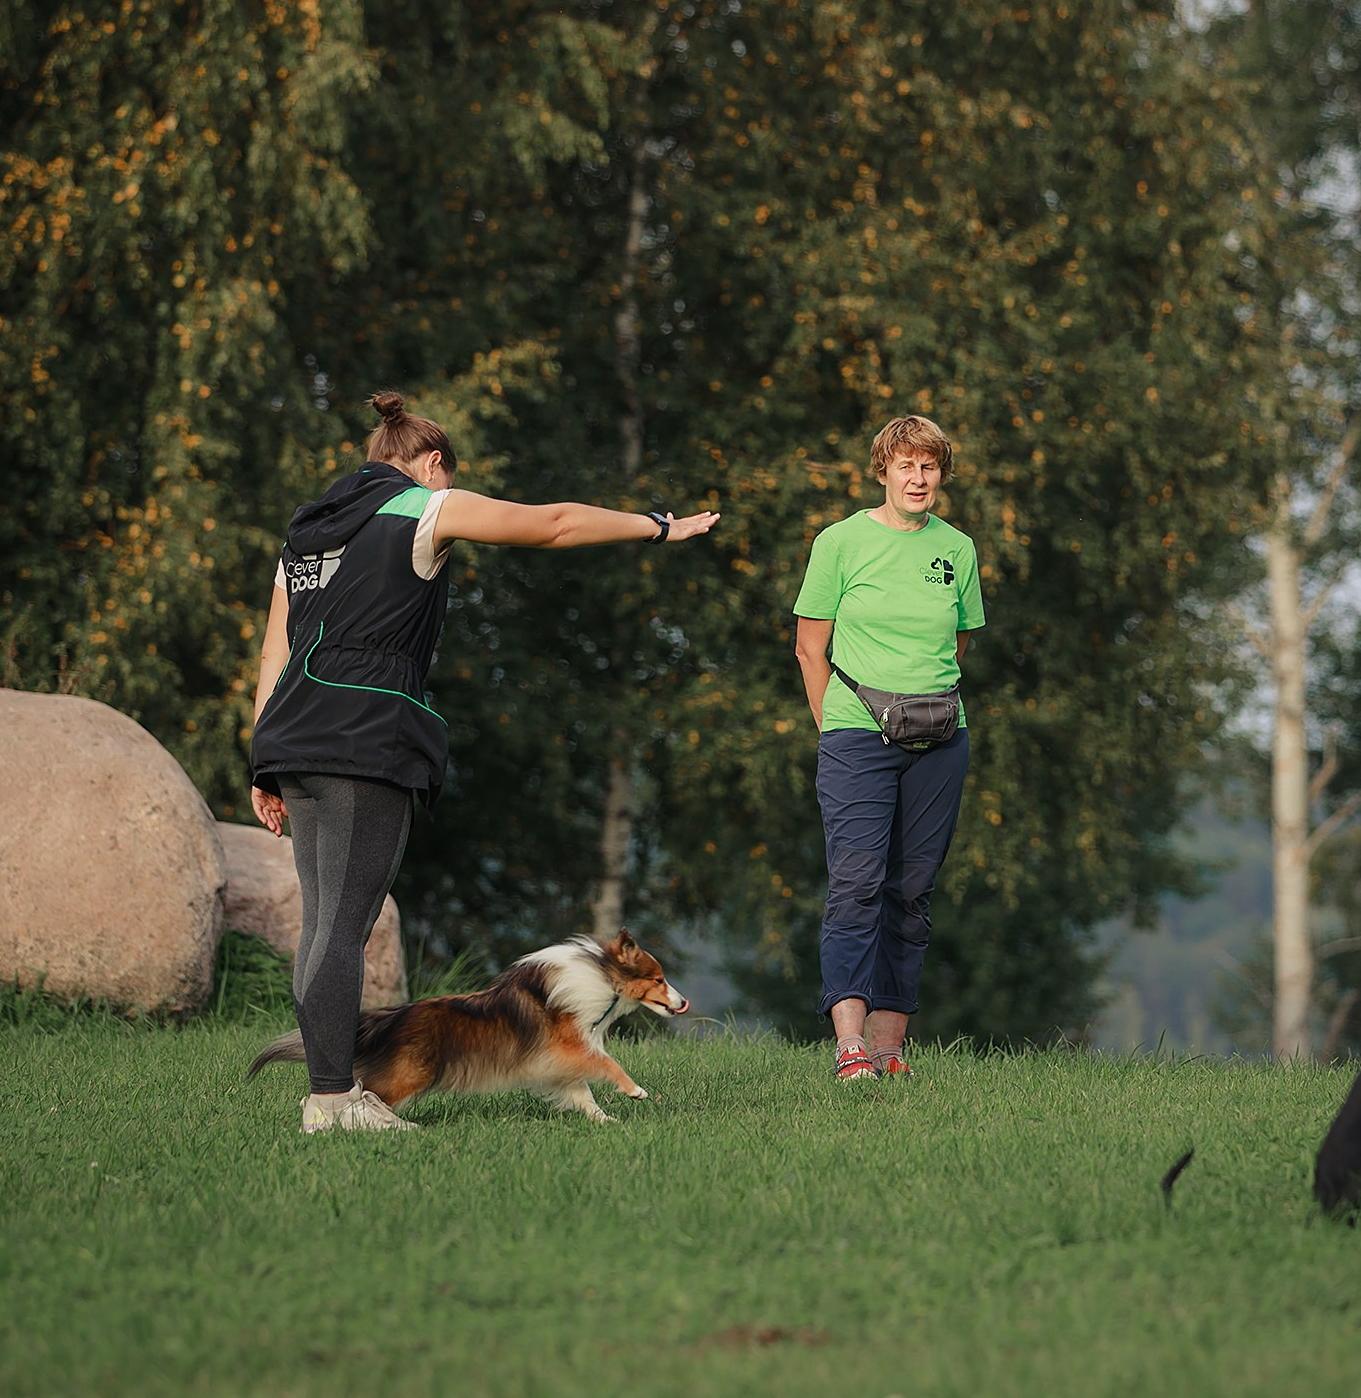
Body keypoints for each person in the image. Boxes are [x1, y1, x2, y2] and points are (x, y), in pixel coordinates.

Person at [249, 392, 719, 1133]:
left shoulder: (305, 536)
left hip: (291, 734)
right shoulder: (422, 507)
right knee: (345, 924)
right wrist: (659, 526)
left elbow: (275, 650)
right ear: (432, 464)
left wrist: (260, 758)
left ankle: (332, 1094)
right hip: (361, 735)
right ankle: (334, 1101)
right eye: (446, 476)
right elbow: (554, 523)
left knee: (321, 924)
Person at [792, 416, 985, 1081]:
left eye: (929, 466)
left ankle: (890, 1048)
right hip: (855, 732)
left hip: (941, 737)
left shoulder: (957, 549)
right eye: (906, 465)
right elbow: (809, 646)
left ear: (941, 474)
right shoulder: (840, 542)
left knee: (911, 889)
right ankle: (848, 1045)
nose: (918, 477)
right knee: (856, 884)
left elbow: (957, 643)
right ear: (883, 471)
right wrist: (834, 726)